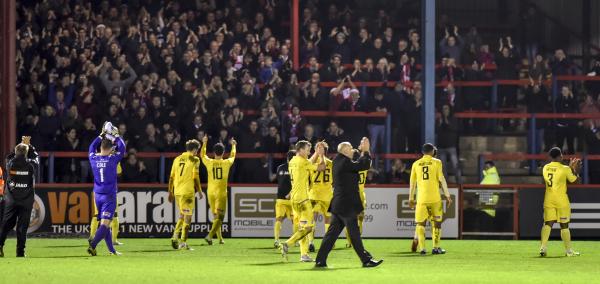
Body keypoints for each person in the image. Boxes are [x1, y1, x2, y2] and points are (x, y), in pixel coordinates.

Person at [315, 138, 383, 268]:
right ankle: (366, 260)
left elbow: (357, 164)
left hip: (339, 204)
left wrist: (363, 153)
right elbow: (363, 165)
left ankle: (320, 260)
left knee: (331, 235)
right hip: (346, 205)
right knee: (354, 234)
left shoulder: (339, 161)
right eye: (351, 147)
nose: (353, 149)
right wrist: (366, 150)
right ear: (345, 150)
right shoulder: (344, 162)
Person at [278, 140, 325, 262]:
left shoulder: (293, 160)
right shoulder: (303, 162)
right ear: (301, 150)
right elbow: (322, 167)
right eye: (307, 149)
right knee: (309, 228)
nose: (309, 152)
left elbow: (307, 163)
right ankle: (287, 244)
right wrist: (321, 155)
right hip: (303, 200)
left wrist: (315, 152)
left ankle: (304, 255)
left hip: (294, 199)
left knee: (302, 228)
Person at [87, 122, 125, 256]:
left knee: (106, 224)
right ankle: (92, 245)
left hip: (97, 195)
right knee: (104, 225)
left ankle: (111, 250)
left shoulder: (93, 158)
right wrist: (115, 137)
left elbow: (91, 147)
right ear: (110, 148)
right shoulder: (112, 159)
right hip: (109, 195)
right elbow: (123, 147)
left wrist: (101, 135)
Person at [409, 143, 452, 255]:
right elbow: (441, 179)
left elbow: (412, 184)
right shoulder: (437, 162)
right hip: (435, 198)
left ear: (423, 152)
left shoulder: (416, 164)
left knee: (420, 224)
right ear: (432, 151)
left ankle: (422, 249)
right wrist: (447, 195)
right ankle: (436, 248)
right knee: (437, 223)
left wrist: (410, 198)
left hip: (421, 199)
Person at [0, 136, 39, 257]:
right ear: (27, 153)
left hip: (11, 199)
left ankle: (0, 245)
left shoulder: (9, 163)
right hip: (26, 200)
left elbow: (10, 155)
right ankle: (20, 252)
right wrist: (29, 146)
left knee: (6, 224)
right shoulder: (31, 165)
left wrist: (21, 144)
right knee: (22, 226)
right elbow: (36, 159)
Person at [540, 147, 581, 257]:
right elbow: (576, 182)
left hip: (548, 198)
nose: (562, 156)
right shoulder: (565, 168)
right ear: (559, 156)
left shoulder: (545, 167)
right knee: (564, 225)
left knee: (548, 223)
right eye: (561, 155)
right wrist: (574, 169)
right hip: (561, 200)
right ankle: (568, 251)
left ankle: (543, 248)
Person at [168, 139, 202, 250]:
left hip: (177, 192)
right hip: (187, 192)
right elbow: (195, 177)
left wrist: (170, 192)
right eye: (197, 150)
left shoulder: (177, 159)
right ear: (195, 149)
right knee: (188, 218)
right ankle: (183, 242)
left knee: (182, 215)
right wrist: (200, 191)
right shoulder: (195, 159)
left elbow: (171, 177)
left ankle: (174, 237)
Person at [203, 135, 237, 245]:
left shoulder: (209, 162)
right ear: (223, 153)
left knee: (215, 216)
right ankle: (209, 236)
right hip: (221, 193)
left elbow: (202, 155)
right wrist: (234, 146)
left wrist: (204, 143)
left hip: (210, 192)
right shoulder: (226, 163)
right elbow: (233, 155)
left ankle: (220, 238)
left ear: (213, 152)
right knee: (220, 216)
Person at [89, 163, 123, 246]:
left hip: (100, 192)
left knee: (100, 216)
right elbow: (119, 172)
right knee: (111, 216)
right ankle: (93, 237)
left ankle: (93, 237)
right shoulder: (112, 160)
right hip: (107, 193)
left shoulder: (97, 159)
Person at [308, 142, 333, 253]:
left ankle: (310, 242)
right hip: (326, 195)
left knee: (313, 219)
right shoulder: (331, 163)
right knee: (327, 220)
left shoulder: (314, 161)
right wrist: (320, 154)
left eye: (320, 148)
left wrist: (317, 153)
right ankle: (327, 243)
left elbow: (309, 164)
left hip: (315, 194)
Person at [345, 149, 370, 249]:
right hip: (361, 194)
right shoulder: (363, 167)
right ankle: (357, 239)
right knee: (360, 219)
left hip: (351, 194)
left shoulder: (349, 167)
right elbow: (369, 160)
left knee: (349, 219)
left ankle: (350, 241)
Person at [274, 151, 297, 248]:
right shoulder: (295, 169)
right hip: (292, 198)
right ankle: (295, 241)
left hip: (280, 198)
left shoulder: (279, 168)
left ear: (287, 158)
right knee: (295, 220)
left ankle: (276, 240)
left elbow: (279, 181)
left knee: (279, 219)